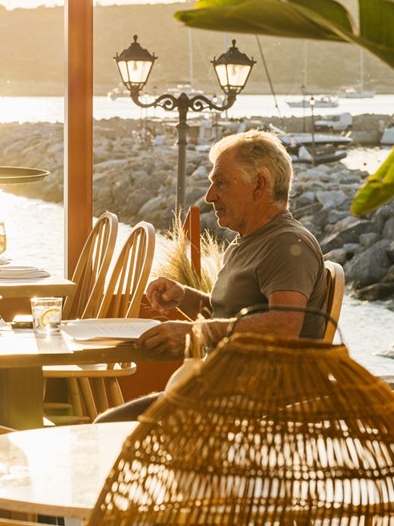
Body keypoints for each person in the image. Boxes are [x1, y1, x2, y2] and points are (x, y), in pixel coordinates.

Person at [97, 129, 328, 421]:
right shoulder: (247, 242)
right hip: (221, 393)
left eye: (221, 183)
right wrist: (184, 296)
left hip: (258, 408)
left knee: (106, 428)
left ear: (259, 184)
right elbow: (230, 314)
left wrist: (199, 332)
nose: (210, 196)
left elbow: (284, 326)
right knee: (107, 426)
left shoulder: (287, 244)